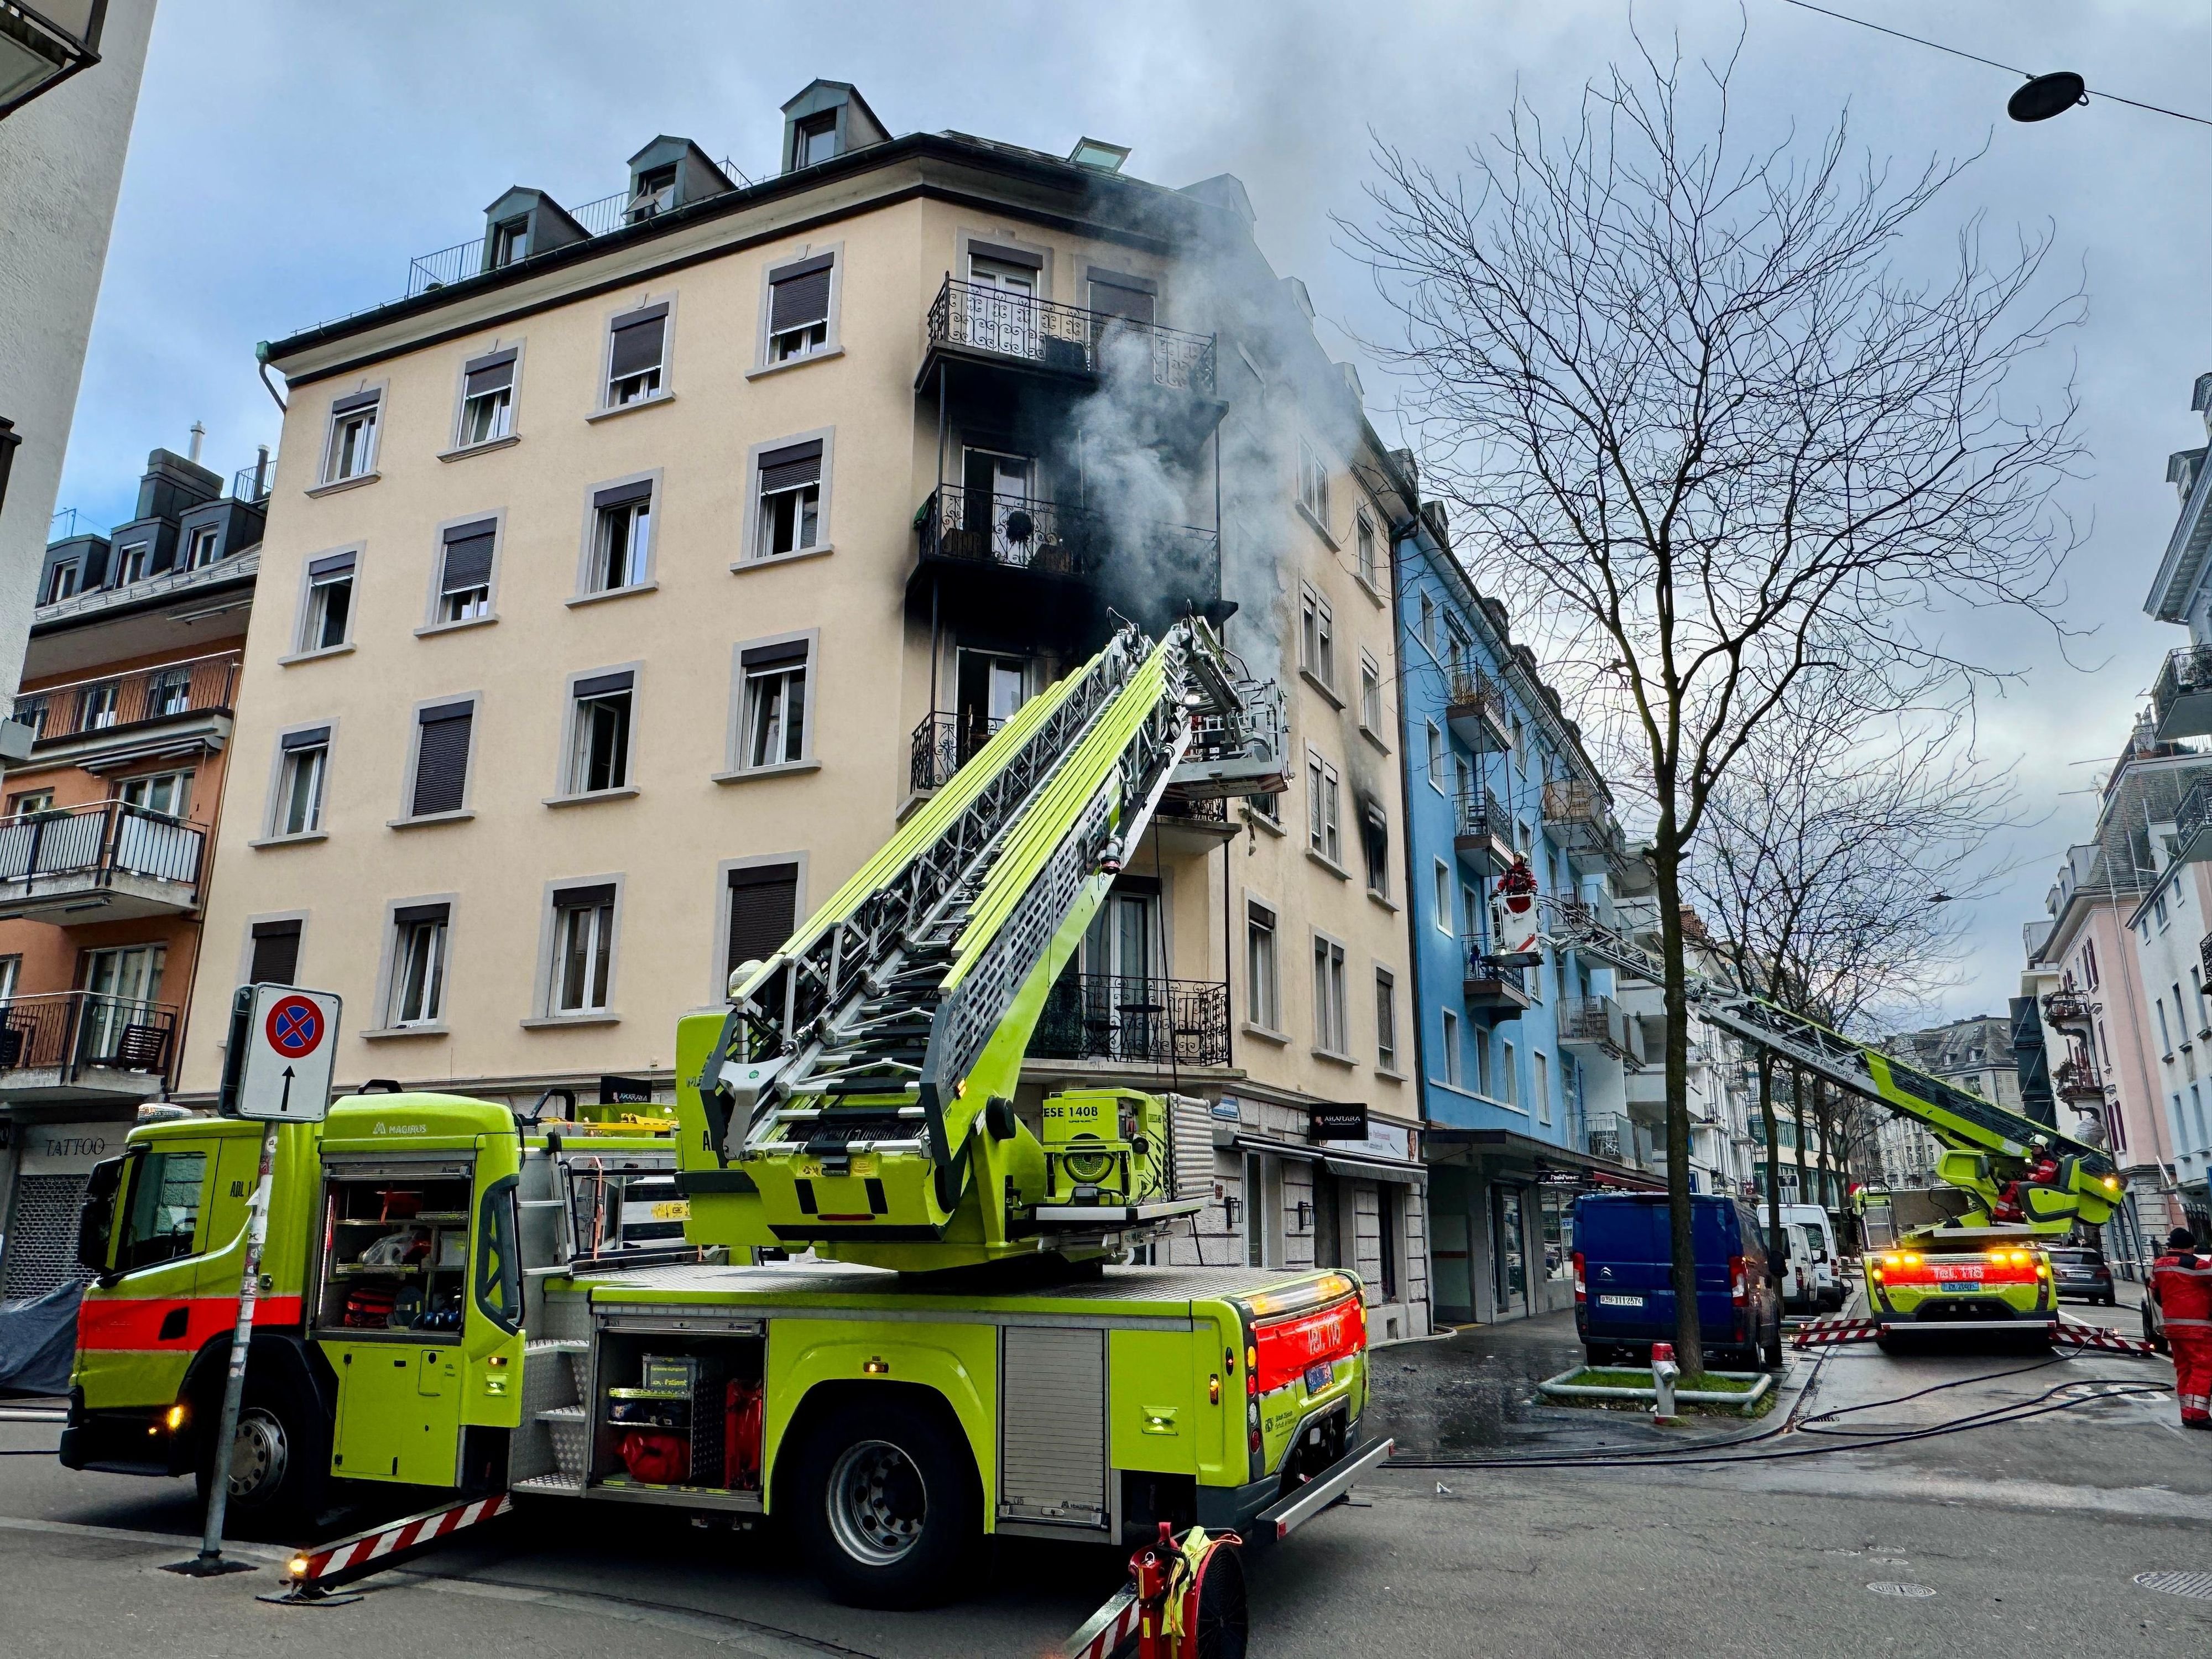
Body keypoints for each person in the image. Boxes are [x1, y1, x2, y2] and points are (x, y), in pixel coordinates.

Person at [2150, 1227, 2211, 1430]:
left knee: (2184, 1369)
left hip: (2173, 1326)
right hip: (2197, 1327)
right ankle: (2198, 1415)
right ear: (2189, 1247)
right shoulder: (2195, 1265)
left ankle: (2187, 1412)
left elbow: (2156, 1294)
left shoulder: (2159, 1265)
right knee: (2203, 1369)